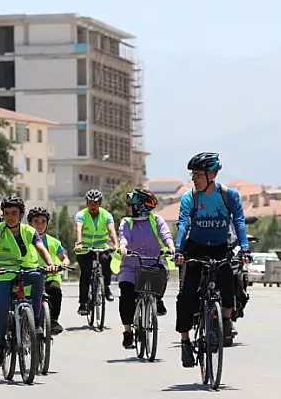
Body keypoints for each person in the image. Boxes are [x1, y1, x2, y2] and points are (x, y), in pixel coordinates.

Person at [174, 152, 249, 366]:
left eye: (197, 175)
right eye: (192, 175)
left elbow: (240, 222)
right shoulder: (191, 197)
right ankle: (186, 342)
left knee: (229, 277)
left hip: (220, 247)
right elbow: (183, 224)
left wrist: (244, 248)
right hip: (195, 248)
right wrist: (179, 249)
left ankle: (226, 319)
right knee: (186, 295)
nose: (193, 179)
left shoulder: (229, 196)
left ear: (211, 175)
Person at [0, 196, 58, 367]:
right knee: (2, 306)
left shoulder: (29, 231)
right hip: (1, 273)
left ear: (22, 215)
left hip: (24, 269)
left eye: (14, 213)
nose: (10, 217)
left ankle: (36, 321)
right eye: (7, 213)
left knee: (39, 276)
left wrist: (51, 265)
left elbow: (41, 249)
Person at [116, 189, 174, 348]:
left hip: (152, 263)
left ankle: (157, 299)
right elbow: (124, 237)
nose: (127, 208)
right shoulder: (126, 222)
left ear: (139, 206)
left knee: (162, 274)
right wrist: (122, 247)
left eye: (130, 204)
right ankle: (128, 331)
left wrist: (171, 247)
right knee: (126, 294)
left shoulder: (157, 220)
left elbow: (166, 235)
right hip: (131, 266)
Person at [74, 189, 118, 314]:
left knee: (107, 260)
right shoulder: (81, 215)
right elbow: (79, 229)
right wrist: (79, 243)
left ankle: (107, 287)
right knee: (86, 273)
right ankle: (83, 303)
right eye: (90, 202)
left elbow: (111, 231)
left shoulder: (106, 215)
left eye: (96, 202)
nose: (93, 205)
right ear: (87, 203)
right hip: (85, 249)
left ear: (100, 203)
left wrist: (116, 244)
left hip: (101, 247)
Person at [26, 207, 69, 335]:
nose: (40, 224)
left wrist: (63, 264)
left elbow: (64, 258)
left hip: (50, 275)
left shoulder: (54, 242)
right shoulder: (24, 240)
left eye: (43, 221)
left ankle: (54, 320)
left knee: (55, 290)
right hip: (31, 276)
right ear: (30, 223)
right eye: (36, 221)